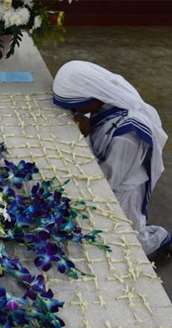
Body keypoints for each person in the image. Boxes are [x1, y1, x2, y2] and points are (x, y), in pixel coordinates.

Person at [52, 60, 170, 257]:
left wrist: (86, 136)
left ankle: (160, 240)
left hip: (123, 191)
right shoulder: (106, 101)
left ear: (94, 98)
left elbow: (106, 183)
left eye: (78, 106)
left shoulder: (128, 135)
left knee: (122, 246)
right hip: (111, 171)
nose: (76, 112)